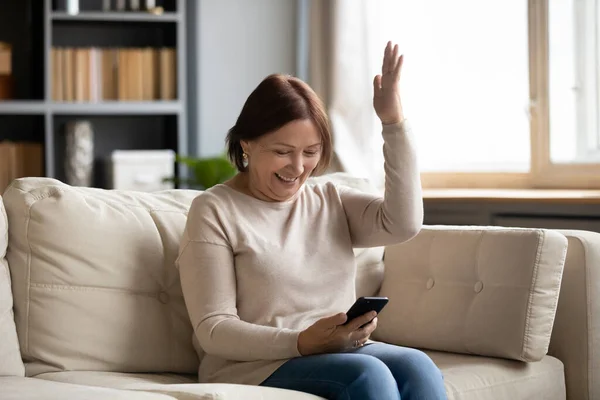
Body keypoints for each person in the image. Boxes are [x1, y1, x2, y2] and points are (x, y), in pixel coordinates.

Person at [176, 41, 447, 400]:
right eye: (282, 151)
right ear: (246, 144)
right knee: (366, 375)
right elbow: (214, 329)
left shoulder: (329, 198)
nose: (298, 167)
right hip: (253, 366)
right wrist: (303, 342)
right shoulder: (214, 211)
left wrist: (392, 123)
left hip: (337, 350)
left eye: (310, 152)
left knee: (418, 366)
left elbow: (403, 224)